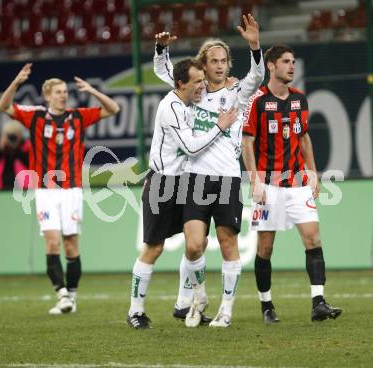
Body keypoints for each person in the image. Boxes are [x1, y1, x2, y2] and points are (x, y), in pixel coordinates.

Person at [154, 13, 264, 327]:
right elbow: (166, 72)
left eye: (223, 61)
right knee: (193, 245)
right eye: (213, 60)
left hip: (227, 178)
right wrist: (161, 49)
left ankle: (226, 310)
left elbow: (256, 77)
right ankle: (198, 295)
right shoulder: (194, 91)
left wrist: (255, 46)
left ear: (229, 64)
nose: (218, 65)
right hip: (194, 178)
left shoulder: (237, 93)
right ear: (204, 64)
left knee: (228, 244)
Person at [0, 63, 120, 315]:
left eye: (65, 91)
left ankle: (71, 297)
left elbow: (114, 109)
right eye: (58, 92)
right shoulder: (35, 116)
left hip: (72, 191)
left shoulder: (78, 116)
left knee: (71, 247)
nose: (63, 95)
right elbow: (3, 106)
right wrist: (17, 82)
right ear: (47, 96)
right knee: (52, 244)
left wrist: (93, 91)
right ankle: (62, 294)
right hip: (45, 191)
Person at [127, 58, 238, 329]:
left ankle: (184, 304)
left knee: (195, 244)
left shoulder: (190, 100)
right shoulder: (171, 107)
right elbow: (189, 147)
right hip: (163, 184)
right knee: (154, 248)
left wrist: (160, 50)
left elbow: (164, 68)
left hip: (187, 182)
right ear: (181, 84)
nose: (203, 85)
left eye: (203, 79)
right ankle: (135, 311)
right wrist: (219, 126)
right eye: (198, 81)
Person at [241, 44, 342, 323]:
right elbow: (246, 142)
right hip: (268, 185)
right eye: (286, 61)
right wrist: (255, 180)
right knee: (265, 247)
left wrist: (312, 172)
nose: (291, 66)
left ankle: (318, 302)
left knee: (313, 238)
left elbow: (304, 138)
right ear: (271, 66)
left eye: (293, 61)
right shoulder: (257, 101)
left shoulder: (300, 100)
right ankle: (266, 306)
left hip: (297, 183)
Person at [0, 120, 30, 190]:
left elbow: (30, 164)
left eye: (14, 136)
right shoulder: (3, 150)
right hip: (2, 188)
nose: (12, 139)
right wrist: (0, 149)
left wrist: (16, 149)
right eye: (9, 136)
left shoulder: (26, 148)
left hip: (22, 190)